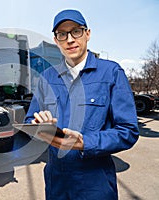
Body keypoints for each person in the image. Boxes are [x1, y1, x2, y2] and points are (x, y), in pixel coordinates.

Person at [24, 9, 139, 200]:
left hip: (95, 184)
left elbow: (128, 131)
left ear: (88, 34)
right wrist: (39, 124)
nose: (69, 39)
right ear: (56, 40)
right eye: (62, 34)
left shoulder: (111, 72)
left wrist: (86, 142)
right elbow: (30, 121)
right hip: (56, 184)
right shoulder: (47, 78)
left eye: (76, 31)